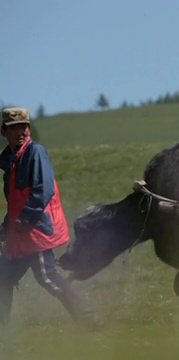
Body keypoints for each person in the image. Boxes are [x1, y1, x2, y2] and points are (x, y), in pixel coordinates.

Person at [0, 107, 93, 325]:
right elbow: (15, 200)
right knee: (3, 278)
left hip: (36, 229)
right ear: (4, 131)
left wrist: (25, 219)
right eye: (14, 128)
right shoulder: (9, 160)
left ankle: (87, 317)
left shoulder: (35, 153)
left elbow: (43, 190)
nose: (20, 132)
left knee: (47, 277)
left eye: (24, 126)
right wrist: (7, 226)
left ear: (29, 128)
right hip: (20, 232)